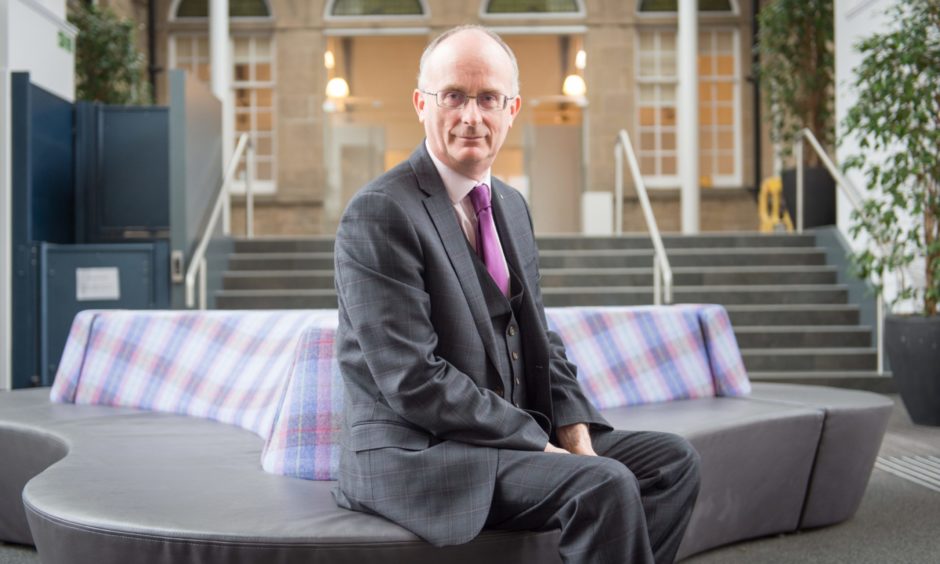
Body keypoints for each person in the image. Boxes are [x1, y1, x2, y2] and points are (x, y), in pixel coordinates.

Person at [332, 25, 701, 564]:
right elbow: (413, 381)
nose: (471, 116)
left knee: (672, 462)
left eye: (488, 99)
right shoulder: (381, 212)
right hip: (422, 453)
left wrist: (573, 432)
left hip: (501, 435)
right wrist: (537, 441)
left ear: (512, 109)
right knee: (601, 487)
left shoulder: (510, 206)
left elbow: (538, 339)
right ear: (421, 103)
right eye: (453, 96)